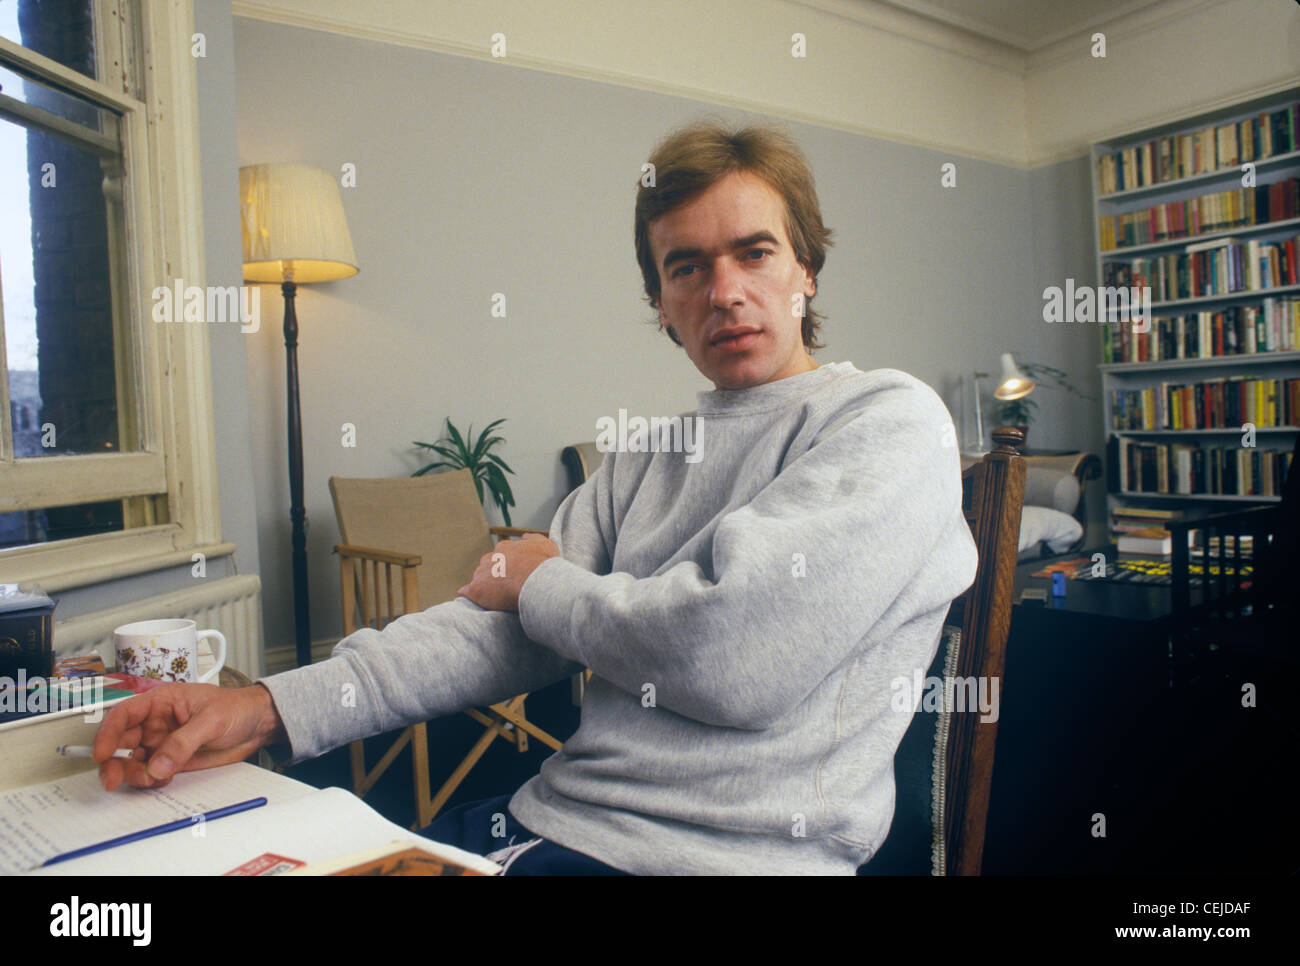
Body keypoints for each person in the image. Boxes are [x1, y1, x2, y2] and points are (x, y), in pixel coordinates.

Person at [93, 120, 978, 875]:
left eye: (755, 252)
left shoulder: (888, 420)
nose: (725, 292)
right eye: (687, 267)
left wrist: (543, 582)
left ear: (806, 270)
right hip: (549, 825)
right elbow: (496, 624)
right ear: (661, 305)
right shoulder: (647, 455)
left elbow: (727, 658)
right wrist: (270, 706)